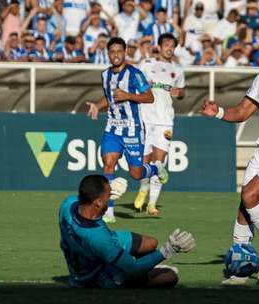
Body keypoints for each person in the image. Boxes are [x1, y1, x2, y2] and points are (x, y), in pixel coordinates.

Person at [200, 29, 259, 285]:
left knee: (250, 195)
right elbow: (242, 111)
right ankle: (238, 272)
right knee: (245, 208)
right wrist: (218, 111)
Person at [59, 174, 196, 288]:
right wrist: (168, 249)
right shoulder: (99, 239)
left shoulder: (68, 203)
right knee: (170, 277)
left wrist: (107, 189)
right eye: (108, 196)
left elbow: (87, 194)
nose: (111, 198)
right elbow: (134, 268)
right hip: (96, 276)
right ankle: (140, 271)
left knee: (151, 243)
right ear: (98, 202)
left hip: (88, 247)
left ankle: (146, 265)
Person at [86, 37, 169, 223]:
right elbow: (109, 98)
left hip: (133, 129)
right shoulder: (105, 75)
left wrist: (128, 95)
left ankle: (156, 168)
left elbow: (149, 97)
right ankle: (108, 212)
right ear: (108, 54)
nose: (115, 55)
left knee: (136, 173)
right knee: (108, 164)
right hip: (113, 128)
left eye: (119, 51)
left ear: (124, 53)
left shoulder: (134, 74)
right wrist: (97, 106)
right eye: (112, 52)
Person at [134, 33, 185, 215]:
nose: (169, 48)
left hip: (165, 120)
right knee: (143, 161)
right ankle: (143, 189)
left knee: (159, 161)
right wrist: (142, 85)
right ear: (160, 46)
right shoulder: (146, 64)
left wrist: (179, 93)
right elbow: (133, 85)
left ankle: (152, 204)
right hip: (146, 118)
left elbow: (182, 92)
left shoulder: (177, 69)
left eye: (172, 45)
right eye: (166, 45)